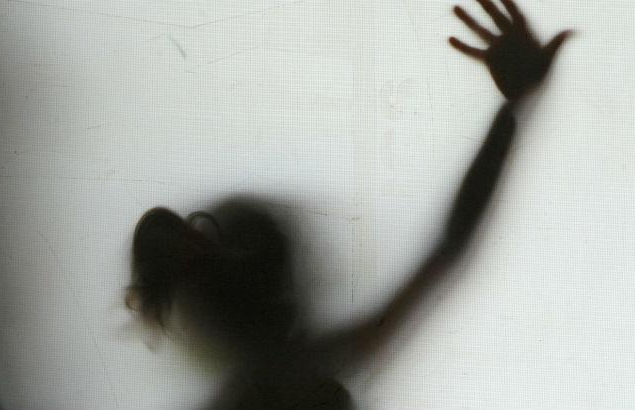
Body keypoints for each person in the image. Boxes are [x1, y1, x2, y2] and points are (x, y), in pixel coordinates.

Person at [127, 1, 571, 409]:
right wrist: (511, 111)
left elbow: (446, 254)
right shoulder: (311, 367)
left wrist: (511, 111)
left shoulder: (297, 371)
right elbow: (446, 253)